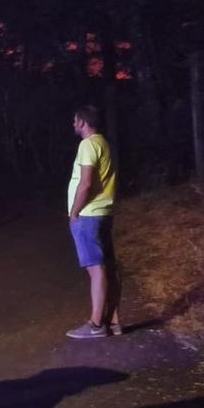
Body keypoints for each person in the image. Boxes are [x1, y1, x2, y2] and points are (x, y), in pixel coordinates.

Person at [65, 105, 122, 339]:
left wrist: (74, 212)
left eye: (74, 121)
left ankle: (96, 325)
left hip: (88, 214)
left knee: (96, 270)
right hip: (103, 212)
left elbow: (86, 183)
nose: (73, 125)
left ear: (82, 122)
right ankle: (114, 322)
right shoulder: (103, 143)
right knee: (107, 268)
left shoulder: (87, 145)